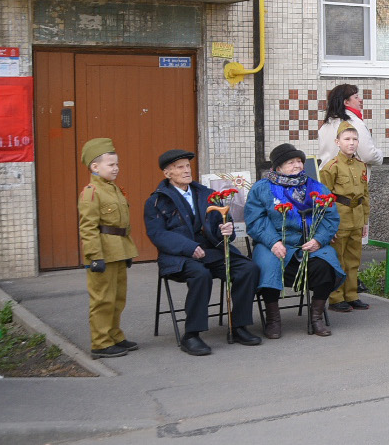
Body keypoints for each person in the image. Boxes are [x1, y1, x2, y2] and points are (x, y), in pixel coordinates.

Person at [144, 149, 263, 355]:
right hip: (178, 256)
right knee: (201, 275)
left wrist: (226, 230)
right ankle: (191, 334)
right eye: (180, 167)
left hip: (210, 250)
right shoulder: (157, 201)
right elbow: (158, 235)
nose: (186, 170)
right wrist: (188, 248)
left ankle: (239, 326)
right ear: (167, 173)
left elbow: (221, 224)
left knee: (247, 268)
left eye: (188, 166)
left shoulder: (206, 194)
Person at [245, 144, 344, 337]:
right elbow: (256, 220)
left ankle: (316, 317)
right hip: (273, 243)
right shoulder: (262, 189)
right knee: (268, 265)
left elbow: (330, 217)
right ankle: (273, 319)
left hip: (308, 243)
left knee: (327, 264)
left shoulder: (316, 187)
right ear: (278, 167)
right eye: (291, 162)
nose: (297, 165)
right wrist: (273, 241)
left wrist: (318, 239)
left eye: (299, 161)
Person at [75, 139, 139, 358]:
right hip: (103, 253)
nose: (116, 168)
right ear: (95, 167)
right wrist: (94, 257)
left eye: (116, 164)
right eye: (111, 165)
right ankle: (100, 342)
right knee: (103, 299)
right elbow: (88, 228)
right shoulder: (91, 193)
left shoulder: (113, 190)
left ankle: (114, 336)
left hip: (118, 251)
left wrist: (128, 251)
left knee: (118, 297)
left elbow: (122, 224)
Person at [318, 123, 371, 313]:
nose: (351, 143)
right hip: (338, 218)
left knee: (353, 259)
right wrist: (326, 227)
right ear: (337, 142)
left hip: (356, 218)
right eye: (347, 139)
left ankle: (352, 295)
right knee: (337, 259)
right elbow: (324, 199)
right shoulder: (331, 167)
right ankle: (336, 298)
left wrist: (365, 221)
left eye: (355, 139)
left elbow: (365, 195)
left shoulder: (360, 165)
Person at [316, 84, 382, 170]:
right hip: (348, 179)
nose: (360, 100)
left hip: (327, 176)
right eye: (356, 97)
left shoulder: (326, 125)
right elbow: (368, 155)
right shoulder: (355, 123)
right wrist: (379, 154)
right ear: (346, 102)